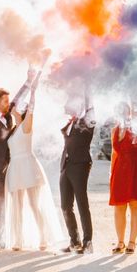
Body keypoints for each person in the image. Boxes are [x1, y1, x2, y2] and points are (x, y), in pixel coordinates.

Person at [5, 71, 64, 251]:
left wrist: (33, 90)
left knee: (33, 203)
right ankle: (18, 240)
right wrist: (28, 80)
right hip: (15, 167)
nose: (14, 107)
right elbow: (14, 101)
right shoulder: (13, 129)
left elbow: (31, 107)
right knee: (18, 205)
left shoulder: (26, 125)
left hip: (28, 165)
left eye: (17, 108)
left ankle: (43, 237)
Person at [0, 70, 35, 251]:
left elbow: (18, 98)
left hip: (10, 168)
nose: (8, 104)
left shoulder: (8, 115)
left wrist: (28, 81)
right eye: (4, 101)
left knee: (5, 203)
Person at [108, 103, 137, 255]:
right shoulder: (114, 130)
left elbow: (136, 110)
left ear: (129, 113)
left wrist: (133, 100)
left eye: (124, 111)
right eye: (118, 111)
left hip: (136, 168)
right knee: (119, 207)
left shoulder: (136, 125)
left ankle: (132, 242)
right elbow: (114, 153)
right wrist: (111, 173)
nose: (121, 114)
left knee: (135, 205)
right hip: (119, 170)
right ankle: (120, 241)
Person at [59, 89, 96, 254]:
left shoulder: (87, 120)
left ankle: (88, 242)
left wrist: (87, 88)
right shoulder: (71, 122)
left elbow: (90, 108)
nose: (66, 105)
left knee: (82, 203)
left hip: (80, 164)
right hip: (66, 165)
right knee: (66, 205)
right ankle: (74, 241)